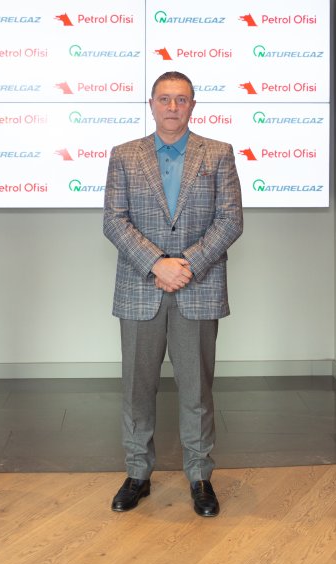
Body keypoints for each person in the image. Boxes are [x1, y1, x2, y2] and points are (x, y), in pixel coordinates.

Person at [103, 71, 243, 517]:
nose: (172, 107)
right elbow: (114, 220)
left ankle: (200, 477)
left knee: (197, 391)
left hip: (197, 288)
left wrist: (187, 265)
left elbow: (230, 220)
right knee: (136, 389)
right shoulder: (124, 155)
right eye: (164, 99)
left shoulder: (218, 153)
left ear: (192, 105)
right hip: (140, 287)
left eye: (181, 99)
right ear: (151, 104)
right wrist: (156, 263)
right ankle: (137, 474)